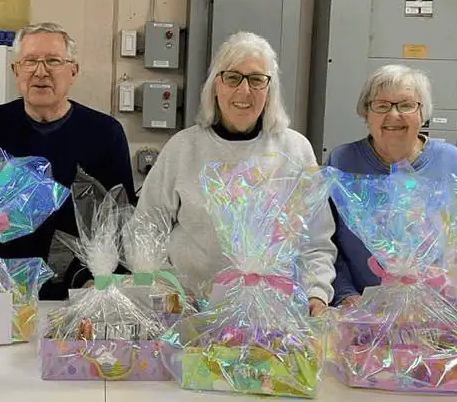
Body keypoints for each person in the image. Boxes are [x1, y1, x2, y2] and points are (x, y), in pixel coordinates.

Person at [135, 32, 337, 315]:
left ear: (270, 89)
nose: (244, 91)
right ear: (215, 86)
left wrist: (317, 294)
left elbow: (315, 240)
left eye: (256, 79)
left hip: (274, 316)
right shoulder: (183, 148)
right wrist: (167, 290)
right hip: (191, 313)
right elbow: (145, 228)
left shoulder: (295, 150)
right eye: (232, 77)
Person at [0, 22, 136, 299]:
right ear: (16, 71)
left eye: (53, 61)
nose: (41, 71)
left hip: (80, 287)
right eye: (30, 61)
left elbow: (120, 218)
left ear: (73, 71)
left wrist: (102, 280)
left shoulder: (105, 133)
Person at [327, 64, 457, 307]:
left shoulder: (452, 163)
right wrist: (345, 294)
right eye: (381, 105)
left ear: (423, 114)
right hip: (362, 315)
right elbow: (323, 243)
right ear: (366, 114)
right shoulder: (342, 162)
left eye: (406, 105)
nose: (393, 115)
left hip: (442, 313)